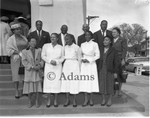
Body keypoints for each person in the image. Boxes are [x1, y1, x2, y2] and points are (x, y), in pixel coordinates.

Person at [41, 33, 64, 107]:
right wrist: (50, 61)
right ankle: (48, 100)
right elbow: (43, 56)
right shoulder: (46, 46)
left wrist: (57, 62)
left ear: (57, 38)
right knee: (48, 82)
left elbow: (63, 57)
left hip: (57, 67)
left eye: (54, 37)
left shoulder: (61, 47)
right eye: (51, 37)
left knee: (56, 82)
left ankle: (55, 100)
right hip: (48, 66)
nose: (52, 38)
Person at [6, 23, 28, 98]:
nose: (19, 30)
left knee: (25, 74)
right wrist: (18, 52)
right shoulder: (10, 39)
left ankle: (25, 90)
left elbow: (27, 46)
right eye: (17, 29)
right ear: (13, 31)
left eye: (19, 29)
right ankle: (16, 91)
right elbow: (8, 50)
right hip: (16, 59)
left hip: (24, 58)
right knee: (16, 75)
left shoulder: (24, 37)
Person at [79, 31, 100, 107]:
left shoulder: (95, 44)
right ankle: (85, 99)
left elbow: (98, 55)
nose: (87, 36)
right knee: (85, 82)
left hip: (91, 64)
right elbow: (80, 54)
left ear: (91, 36)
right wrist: (82, 59)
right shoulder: (82, 44)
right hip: (84, 65)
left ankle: (91, 99)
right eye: (86, 35)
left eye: (88, 35)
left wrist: (90, 60)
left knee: (91, 82)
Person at [22, 38, 43, 108]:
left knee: (37, 88)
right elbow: (24, 61)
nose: (33, 43)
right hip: (30, 71)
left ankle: (37, 101)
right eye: (32, 41)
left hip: (37, 71)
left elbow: (42, 60)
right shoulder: (24, 51)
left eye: (35, 41)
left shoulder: (39, 50)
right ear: (29, 42)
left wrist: (39, 65)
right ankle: (29, 101)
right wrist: (31, 67)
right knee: (29, 88)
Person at [61, 34, 81, 107]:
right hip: (66, 65)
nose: (66, 40)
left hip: (74, 65)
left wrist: (79, 69)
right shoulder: (64, 47)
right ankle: (67, 99)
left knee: (74, 82)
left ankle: (74, 100)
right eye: (65, 39)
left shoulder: (77, 47)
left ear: (72, 39)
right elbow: (62, 57)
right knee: (66, 82)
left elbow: (79, 59)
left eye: (68, 39)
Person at [99, 36, 119, 107]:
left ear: (110, 41)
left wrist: (115, 72)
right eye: (104, 40)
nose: (105, 41)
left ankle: (110, 100)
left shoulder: (113, 50)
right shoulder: (100, 49)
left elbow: (116, 62)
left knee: (110, 84)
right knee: (102, 84)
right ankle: (103, 99)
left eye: (107, 40)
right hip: (101, 69)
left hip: (110, 70)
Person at [112, 27, 127, 97]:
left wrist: (123, 59)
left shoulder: (122, 40)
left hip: (120, 59)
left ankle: (119, 91)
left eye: (114, 32)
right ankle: (115, 91)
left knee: (120, 76)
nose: (113, 33)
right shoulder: (111, 40)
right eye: (112, 32)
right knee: (114, 76)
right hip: (112, 60)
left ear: (118, 33)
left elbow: (124, 50)